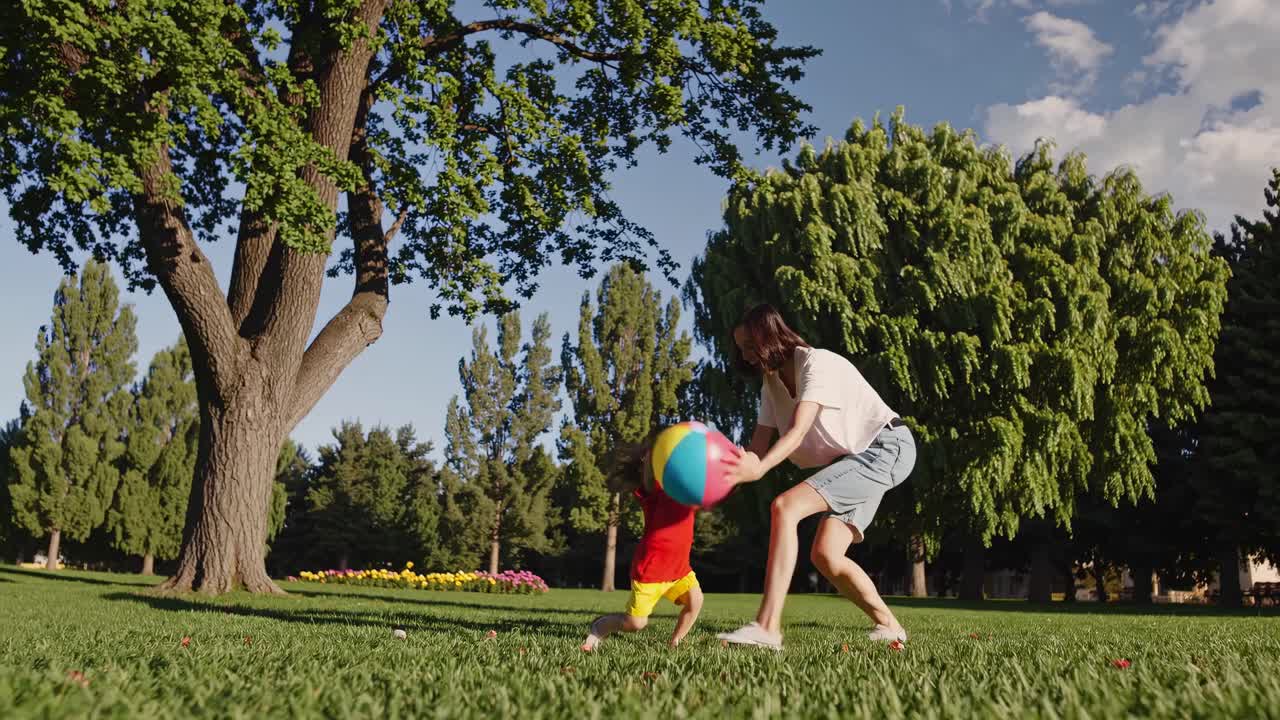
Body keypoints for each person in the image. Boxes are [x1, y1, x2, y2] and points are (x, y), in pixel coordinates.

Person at [718, 304, 916, 651]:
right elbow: (758, 444)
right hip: (857, 457)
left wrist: (760, 469)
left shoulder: (816, 363)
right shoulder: (771, 382)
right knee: (826, 554)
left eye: (750, 346)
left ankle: (767, 628)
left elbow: (796, 432)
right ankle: (891, 627)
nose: (746, 356)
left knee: (785, 506)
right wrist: (733, 471)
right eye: (741, 349)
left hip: (887, 446)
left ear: (768, 336)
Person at [580, 439, 704, 651]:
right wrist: (651, 457)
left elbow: (715, 483)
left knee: (696, 601)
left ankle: (676, 642)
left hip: (680, 569)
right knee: (636, 623)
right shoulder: (655, 490)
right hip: (651, 570)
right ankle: (600, 627)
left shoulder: (690, 489)